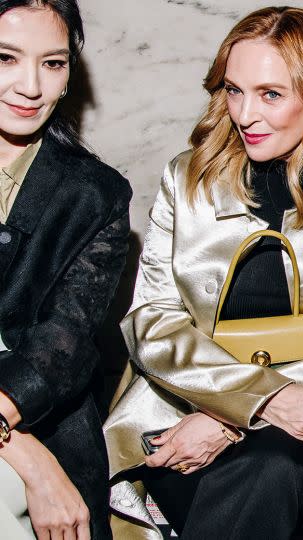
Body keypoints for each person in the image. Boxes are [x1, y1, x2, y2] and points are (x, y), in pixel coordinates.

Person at [103, 7, 303, 539]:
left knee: (273, 470)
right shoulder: (187, 179)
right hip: (178, 405)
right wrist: (247, 403)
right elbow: (152, 319)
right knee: (252, 486)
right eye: (234, 90)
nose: (244, 113)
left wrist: (241, 415)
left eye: (270, 94)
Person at [0, 1, 131, 539]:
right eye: (5, 58)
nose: (31, 86)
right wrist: (26, 459)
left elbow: (63, 344)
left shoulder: (95, 196)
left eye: (53, 64)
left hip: (36, 412)